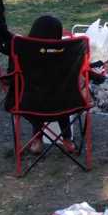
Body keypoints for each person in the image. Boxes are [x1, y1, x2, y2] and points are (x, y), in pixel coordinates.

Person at [19, 15, 76, 155]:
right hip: (63, 105)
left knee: (36, 95)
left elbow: (13, 75)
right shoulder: (66, 52)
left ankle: (37, 140)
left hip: (31, 105)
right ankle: (67, 140)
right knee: (60, 95)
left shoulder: (23, 51)